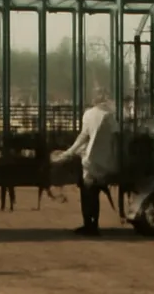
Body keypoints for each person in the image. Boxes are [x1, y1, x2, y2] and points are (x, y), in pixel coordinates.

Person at [51, 96, 119, 236]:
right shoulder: (110, 116)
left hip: (90, 161)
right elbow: (116, 138)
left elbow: (83, 136)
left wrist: (68, 153)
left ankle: (90, 225)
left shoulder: (88, 114)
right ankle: (93, 224)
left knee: (88, 194)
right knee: (95, 193)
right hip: (107, 161)